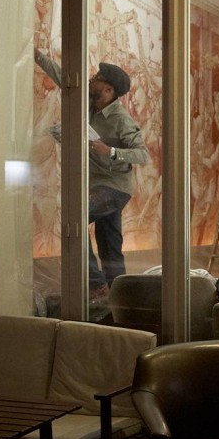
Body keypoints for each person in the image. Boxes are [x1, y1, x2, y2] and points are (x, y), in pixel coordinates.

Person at [36, 51, 150, 296]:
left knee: (75, 214)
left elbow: (142, 155)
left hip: (115, 187)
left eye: (97, 78)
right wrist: (36, 55)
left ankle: (95, 283)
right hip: (99, 185)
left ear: (108, 90)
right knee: (109, 242)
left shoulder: (121, 119)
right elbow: (63, 77)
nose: (92, 79)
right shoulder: (88, 101)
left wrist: (111, 151)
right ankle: (119, 294)